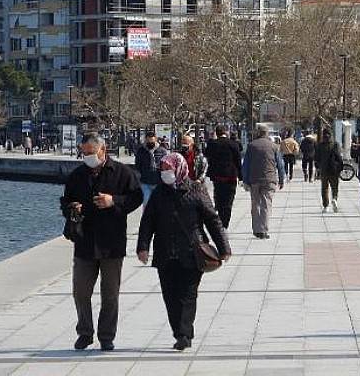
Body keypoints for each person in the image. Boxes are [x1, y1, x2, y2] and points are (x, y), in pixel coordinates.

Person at [137, 153, 231, 351]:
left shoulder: (196, 189)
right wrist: (143, 247)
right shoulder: (158, 193)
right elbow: (148, 221)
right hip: (165, 252)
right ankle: (179, 331)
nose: (165, 173)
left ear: (179, 168)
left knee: (188, 295)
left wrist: (224, 248)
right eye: (162, 170)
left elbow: (212, 220)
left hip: (191, 252)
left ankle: (185, 334)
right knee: (170, 296)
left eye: (168, 169)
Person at [60, 132, 143, 351]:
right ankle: (85, 332)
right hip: (85, 241)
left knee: (110, 293)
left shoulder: (123, 173)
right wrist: (72, 209)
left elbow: (136, 198)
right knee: (81, 290)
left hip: (111, 241)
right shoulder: (77, 175)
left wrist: (113, 201)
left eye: (91, 152)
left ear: (102, 150)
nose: (87, 156)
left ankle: (106, 335)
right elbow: (65, 201)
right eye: (84, 152)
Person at [242, 124, 285, 239]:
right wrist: (281, 179)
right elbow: (280, 164)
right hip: (269, 179)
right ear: (267, 134)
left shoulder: (251, 146)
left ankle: (256, 229)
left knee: (255, 204)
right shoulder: (274, 146)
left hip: (254, 179)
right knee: (266, 204)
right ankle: (263, 229)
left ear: (258, 133)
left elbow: (245, 165)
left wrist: (245, 180)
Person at [205, 125, 242, 229]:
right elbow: (238, 161)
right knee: (228, 200)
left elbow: (206, 154)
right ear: (226, 132)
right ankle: (225, 222)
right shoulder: (233, 144)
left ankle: (220, 218)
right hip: (230, 176)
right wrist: (241, 176)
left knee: (219, 197)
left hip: (217, 176)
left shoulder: (212, 144)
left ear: (216, 133)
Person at [135, 131, 168, 207]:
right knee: (147, 203)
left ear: (156, 139)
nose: (150, 143)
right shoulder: (141, 151)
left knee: (159, 205)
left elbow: (166, 166)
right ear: (146, 140)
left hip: (158, 182)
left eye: (152, 141)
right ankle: (146, 218)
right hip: (145, 182)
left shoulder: (162, 151)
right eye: (148, 142)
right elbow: (137, 166)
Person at [315, 128, 343, 213]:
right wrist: (340, 167)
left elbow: (316, 158)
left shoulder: (320, 145)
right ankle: (334, 198)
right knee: (335, 187)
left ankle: (326, 206)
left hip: (324, 169)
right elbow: (339, 157)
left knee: (324, 188)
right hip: (334, 169)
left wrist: (318, 167)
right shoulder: (335, 144)